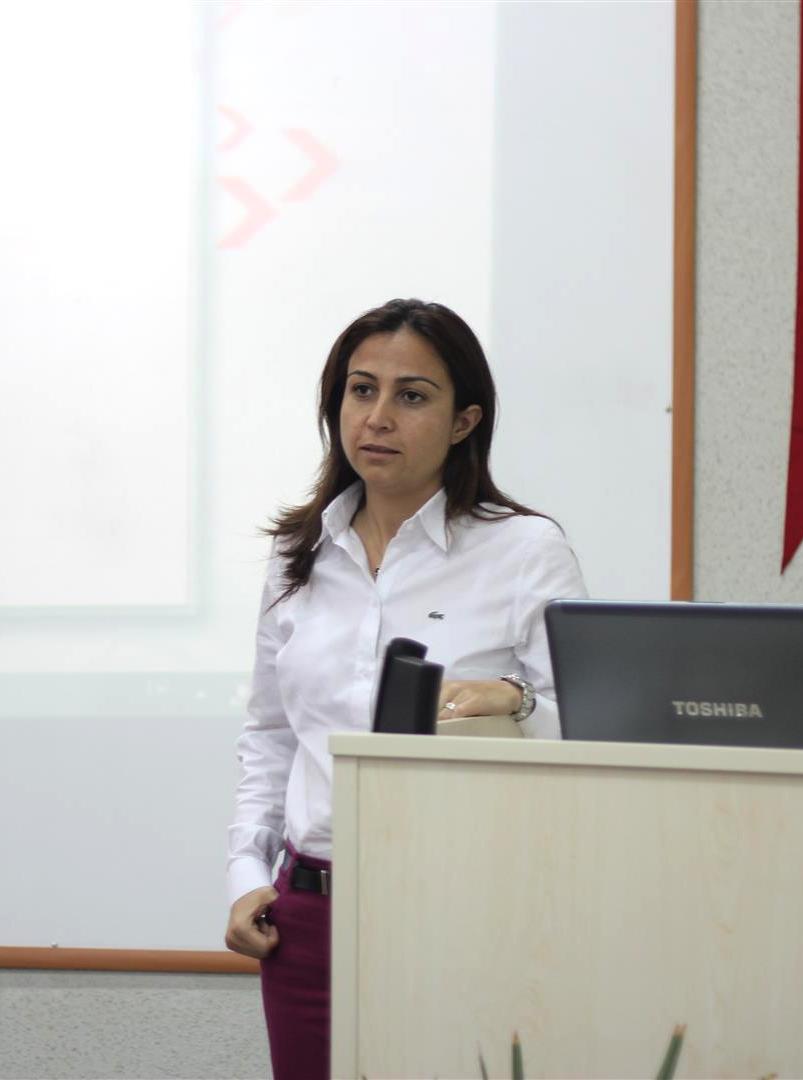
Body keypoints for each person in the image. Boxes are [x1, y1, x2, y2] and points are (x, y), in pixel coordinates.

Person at [224, 298, 586, 1079]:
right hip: (308, 917)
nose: (378, 417)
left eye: (411, 396)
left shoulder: (524, 550)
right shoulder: (298, 553)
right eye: (361, 390)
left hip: (463, 913)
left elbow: (590, 731)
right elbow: (272, 734)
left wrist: (517, 701)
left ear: (463, 422)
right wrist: (246, 874)